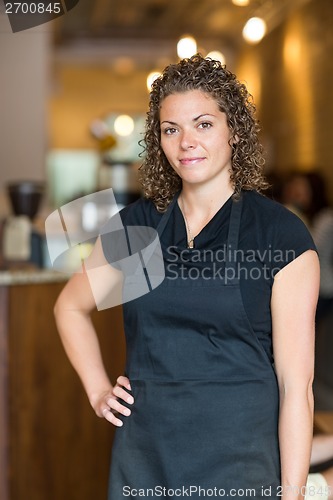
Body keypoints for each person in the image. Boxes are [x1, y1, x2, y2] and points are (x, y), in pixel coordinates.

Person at [54, 54, 319, 499]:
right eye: (170, 129)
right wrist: (98, 388)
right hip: (144, 458)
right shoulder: (139, 226)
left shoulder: (279, 233)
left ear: (234, 131)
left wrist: (291, 495)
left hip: (240, 462)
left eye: (203, 125)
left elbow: (297, 387)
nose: (185, 143)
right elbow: (70, 307)